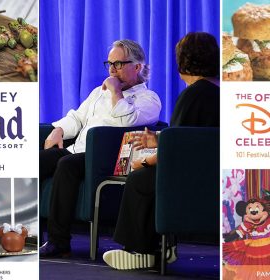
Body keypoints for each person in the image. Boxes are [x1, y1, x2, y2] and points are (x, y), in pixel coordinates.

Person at [103, 32, 220, 270]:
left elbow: (177, 150)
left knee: (140, 179)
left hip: (194, 179)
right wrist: (158, 140)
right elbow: (197, 140)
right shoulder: (220, 91)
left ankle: (141, 250)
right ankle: (161, 248)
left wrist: (144, 163)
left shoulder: (193, 95)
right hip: (215, 174)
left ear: (182, 62)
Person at [39, 39, 162, 257]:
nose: (113, 71)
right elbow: (76, 117)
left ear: (138, 67)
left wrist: (116, 93)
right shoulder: (98, 92)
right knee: (36, 160)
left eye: (119, 64)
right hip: (77, 152)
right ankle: (18, 230)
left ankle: (59, 241)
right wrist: (58, 129)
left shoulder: (149, 99)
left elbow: (128, 120)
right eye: (110, 64)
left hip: (107, 157)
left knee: (66, 164)